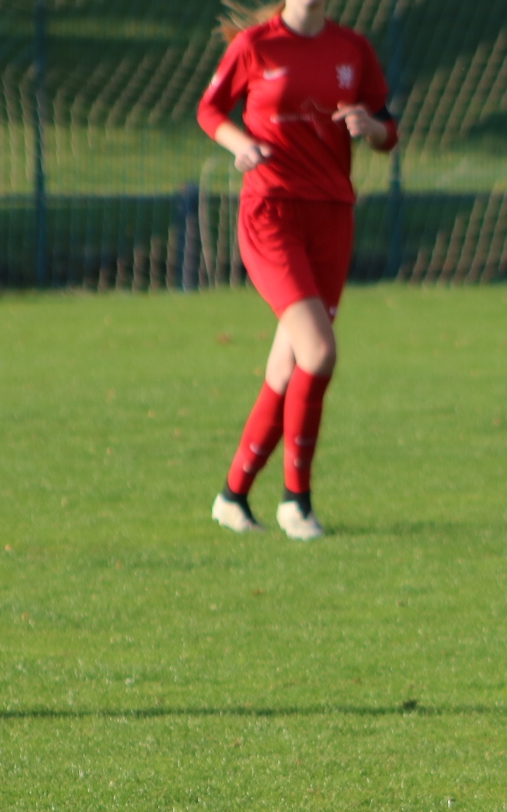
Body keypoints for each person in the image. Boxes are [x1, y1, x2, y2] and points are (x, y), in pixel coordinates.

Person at [199, 0, 397, 540]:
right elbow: (210, 110)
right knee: (319, 350)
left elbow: (388, 129)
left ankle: (233, 495)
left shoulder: (352, 50)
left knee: (289, 368)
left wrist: (368, 127)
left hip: (331, 215)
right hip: (271, 213)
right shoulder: (256, 45)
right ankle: (296, 501)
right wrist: (239, 143)